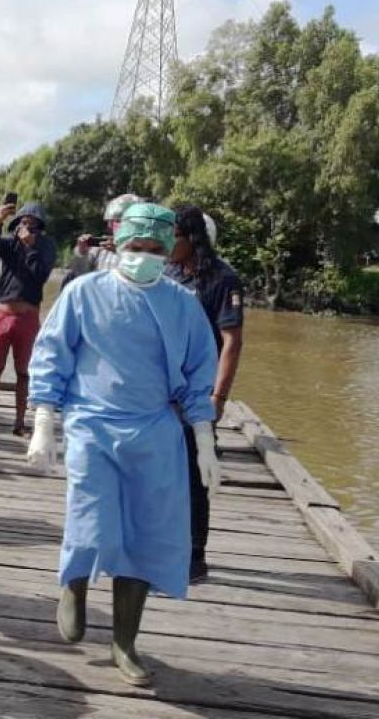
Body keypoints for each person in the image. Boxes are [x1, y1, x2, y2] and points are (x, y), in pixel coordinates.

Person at [26, 202, 220, 687]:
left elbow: (200, 371)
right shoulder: (84, 293)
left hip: (155, 432)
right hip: (92, 423)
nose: (144, 257)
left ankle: (124, 642)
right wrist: (44, 420)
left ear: (170, 249)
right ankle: (73, 585)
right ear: (118, 245)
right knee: (90, 519)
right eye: (135, 247)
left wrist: (204, 437)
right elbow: (52, 352)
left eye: (156, 249)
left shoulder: (182, 304)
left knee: (144, 537)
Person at [166, 206, 245, 584]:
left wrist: (219, 398)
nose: (165, 244)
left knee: (197, 474)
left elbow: (231, 342)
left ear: (191, 238)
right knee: (161, 471)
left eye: (173, 236)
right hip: (160, 391)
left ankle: (196, 556)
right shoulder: (166, 274)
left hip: (198, 394)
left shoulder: (223, 280)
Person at [0, 201, 57, 437]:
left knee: (24, 372)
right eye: (23, 222)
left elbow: (41, 275)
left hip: (28, 316)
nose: (26, 226)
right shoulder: (11, 244)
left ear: (39, 226)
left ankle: (19, 422)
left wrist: (31, 246)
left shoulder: (46, 246)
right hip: (3, 313)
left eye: (31, 223)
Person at [64, 193, 144, 285]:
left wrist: (122, 252)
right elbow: (79, 276)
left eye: (117, 221)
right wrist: (82, 253)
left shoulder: (152, 249)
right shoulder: (101, 250)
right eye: (111, 221)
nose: (110, 226)